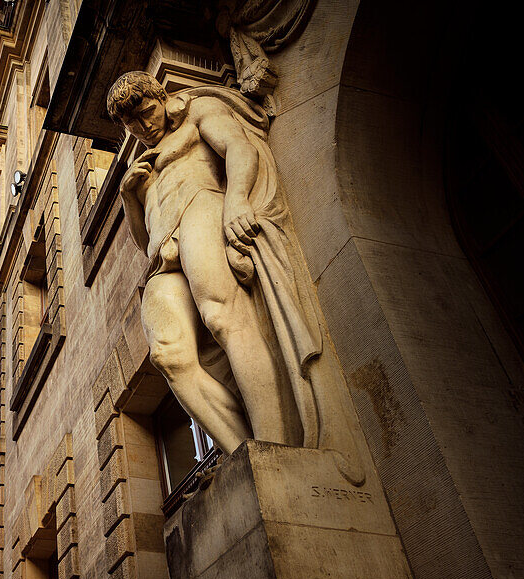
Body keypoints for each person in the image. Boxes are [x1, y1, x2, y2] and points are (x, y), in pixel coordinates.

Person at [108, 71, 360, 480]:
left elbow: (239, 149)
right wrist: (127, 196)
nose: (144, 126)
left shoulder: (197, 113)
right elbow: (142, 239)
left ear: (161, 96)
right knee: (168, 355)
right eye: (132, 123)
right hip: (162, 255)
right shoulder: (140, 167)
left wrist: (236, 201)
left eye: (147, 112)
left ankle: (274, 446)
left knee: (225, 319)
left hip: (201, 207)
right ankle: (243, 453)